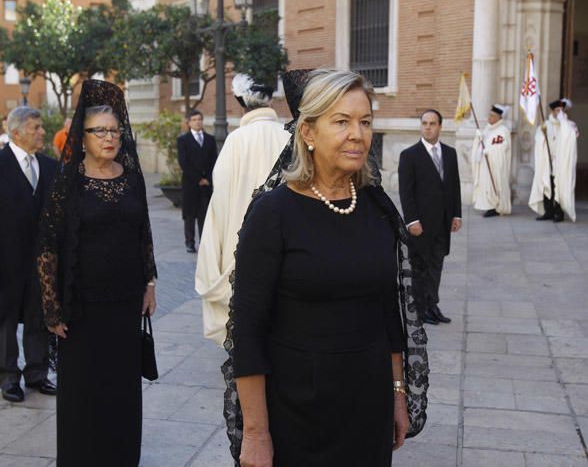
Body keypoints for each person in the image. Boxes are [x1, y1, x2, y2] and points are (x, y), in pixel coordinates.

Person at [224, 68, 429, 467]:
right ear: (308, 133)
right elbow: (247, 330)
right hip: (297, 410)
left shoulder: (377, 208)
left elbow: (390, 316)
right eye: (342, 121)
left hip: (368, 404)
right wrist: (255, 432)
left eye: (365, 122)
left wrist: (398, 394)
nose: (357, 133)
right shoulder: (273, 214)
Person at [37, 80, 157, 466]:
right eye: (100, 131)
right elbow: (47, 248)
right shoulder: (66, 183)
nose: (110, 138)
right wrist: (53, 308)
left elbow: (144, 232)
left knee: (121, 389)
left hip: (123, 305)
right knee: (84, 393)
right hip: (81, 308)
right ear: (82, 136)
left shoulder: (131, 176)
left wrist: (150, 283)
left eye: (115, 130)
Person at [0, 106, 58, 402]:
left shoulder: (50, 166)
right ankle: (7, 377)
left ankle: (37, 373)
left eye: (42, 126)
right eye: (36, 127)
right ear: (16, 132)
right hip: (2, 263)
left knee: (38, 317)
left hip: (40, 263)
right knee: (3, 320)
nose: (42, 132)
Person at [195, 73, 290, 345]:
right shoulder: (288, 136)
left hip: (241, 237)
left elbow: (221, 197)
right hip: (284, 237)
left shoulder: (236, 140)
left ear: (243, 106)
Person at [398, 109, 462, 326]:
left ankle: (432, 305)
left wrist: (456, 214)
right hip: (421, 225)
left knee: (436, 265)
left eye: (432, 123)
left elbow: (454, 187)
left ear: (440, 127)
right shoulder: (409, 155)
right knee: (420, 267)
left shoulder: (450, 153)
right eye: (424, 123)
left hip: (443, 224)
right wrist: (412, 220)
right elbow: (406, 192)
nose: (428, 127)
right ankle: (420, 309)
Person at [529, 98, 578, 223]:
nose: (559, 112)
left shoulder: (570, 124)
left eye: (561, 110)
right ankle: (548, 211)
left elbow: (573, 137)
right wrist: (543, 137)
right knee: (548, 184)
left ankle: (558, 213)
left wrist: (564, 123)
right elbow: (538, 140)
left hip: (562, 162)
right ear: (552, 111)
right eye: (557, 110)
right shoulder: (546, 125)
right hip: (548, 160)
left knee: (560, 186)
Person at [177, 110, 217, 253]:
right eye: (194, 119)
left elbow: (214, 161)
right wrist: (198, 179)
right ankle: (189, 242)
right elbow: (183, 163)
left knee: (204, 215)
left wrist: (207, 179)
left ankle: (204, 241)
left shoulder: (210, 139)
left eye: (199, 119)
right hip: (190, 184)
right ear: (188, 122)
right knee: (189, 215)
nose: (197, 121)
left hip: (206, 185)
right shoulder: (183, 140)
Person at [471, 104, 512, 217]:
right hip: (486, 163)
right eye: (489, 115)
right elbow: (482, 145)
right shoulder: (487, 129)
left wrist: (489, 151)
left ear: (499, 118)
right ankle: (489, 205)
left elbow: (503, 148)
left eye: (493, 116)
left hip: (496, 165)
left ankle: (496, 207)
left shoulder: (503, 130)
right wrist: (478, 140)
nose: (490, 118)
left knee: (496, 184)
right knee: (486, 185)